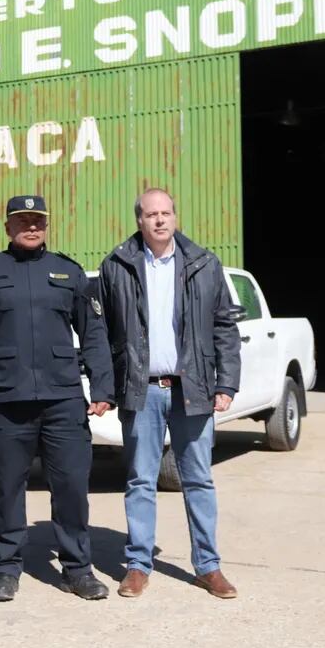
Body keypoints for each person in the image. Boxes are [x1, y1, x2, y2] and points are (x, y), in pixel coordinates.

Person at [0, 195, 113, 602]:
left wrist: (103, 387)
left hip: (63, 399)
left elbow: (93, 333)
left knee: (72, 486)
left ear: (47, 224)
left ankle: (77, 568)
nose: (31, 226)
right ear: (8, 227)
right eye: (22, 221)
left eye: (37, 220)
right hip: (7, 400)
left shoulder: (69, 273)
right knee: (7, 487)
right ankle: (5, 568)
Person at [95, 188, 241, 600]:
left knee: (198, 479)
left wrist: (226, 383)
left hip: (192, 389)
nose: (159, 220)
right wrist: (106, 387)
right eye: (150, 214)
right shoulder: (117, 265)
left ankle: (208, 567)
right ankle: (138, 566)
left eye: (166, 213)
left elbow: (224, 327)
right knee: (141, 479)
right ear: (138, 220)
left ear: (175, 217)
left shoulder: (203, 263)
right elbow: (102, 335)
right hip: (141, 390)